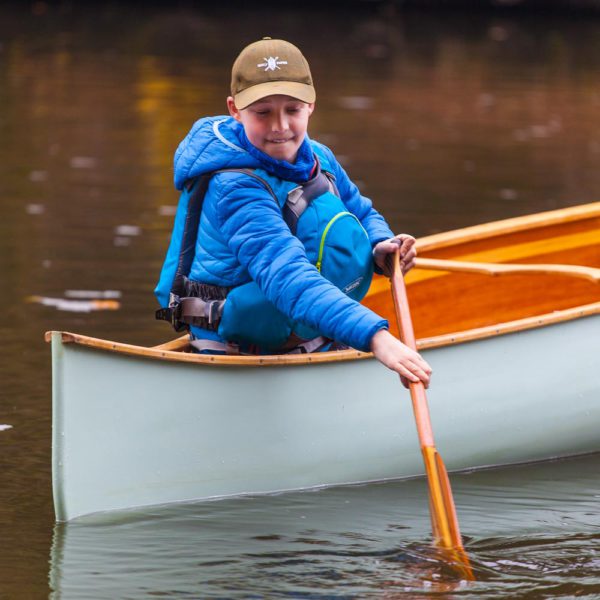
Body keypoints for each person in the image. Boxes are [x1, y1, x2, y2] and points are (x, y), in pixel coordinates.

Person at [155, 37, 431, 388]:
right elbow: (287, 277)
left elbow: (362, 212)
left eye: (292, 110)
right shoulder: (234, 187)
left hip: (306, 331)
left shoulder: (317, 156)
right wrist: (377, 338)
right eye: (263, 112)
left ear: (311, 106)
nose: (280, 127)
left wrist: (380, 247)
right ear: (234, 109)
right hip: (239, 349)